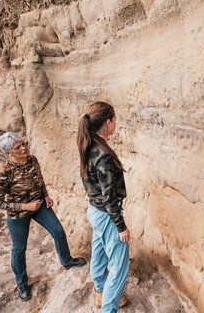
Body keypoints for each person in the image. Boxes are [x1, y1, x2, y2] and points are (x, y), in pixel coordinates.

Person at [0, 132, 86, 301]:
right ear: (8, 153)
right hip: (18, 215)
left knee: (58, 231)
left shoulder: (32, 159)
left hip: (39, 205)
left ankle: (67, 261)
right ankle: (21, 283)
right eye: (18, 148)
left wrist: (46, 196)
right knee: (19, 249)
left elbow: (39, 180)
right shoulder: (4, 172)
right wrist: (24, 206)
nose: (23, 148)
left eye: (23, 144)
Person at [77, 102, 129, 312]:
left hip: (95, 211)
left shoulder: (88, 146)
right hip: (107, 215)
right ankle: (108, 307)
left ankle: (100, 290)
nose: (115, 123)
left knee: (98, 252)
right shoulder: (103, 154)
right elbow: (109, 199)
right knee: (118, 269)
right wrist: (121, 227)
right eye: (114, 119)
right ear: (108, 122)